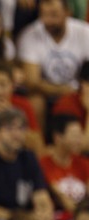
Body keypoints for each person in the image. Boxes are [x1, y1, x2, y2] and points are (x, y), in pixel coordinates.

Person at [17, 0, 89, 132]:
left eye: (54, 14)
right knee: (35, 101)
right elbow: (32, 82)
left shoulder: (84, 31)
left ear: (68, 12)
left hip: (79, 91)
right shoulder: (29, 35)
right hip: (46, 93)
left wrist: (82, 90)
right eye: (44, 15)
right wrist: (63, 90)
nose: (48, 20)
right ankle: (40, 148)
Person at [40, 113, 89, 218]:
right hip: (60, 219)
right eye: (74, 136)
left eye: (80, 135)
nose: (79, 141)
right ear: (58, 137)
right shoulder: (43, 164)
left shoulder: (84, 163)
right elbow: (64, 201)